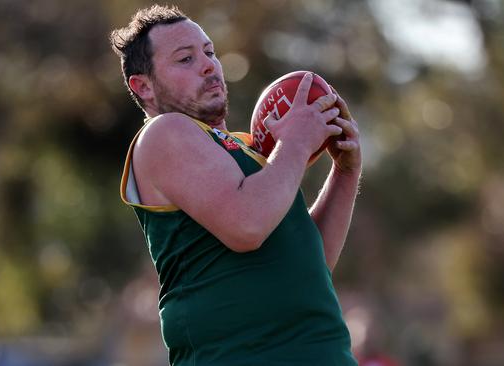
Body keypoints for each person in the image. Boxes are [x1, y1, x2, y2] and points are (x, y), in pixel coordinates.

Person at [112, 4, 361, 365]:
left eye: (210, 52)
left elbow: (310, 264)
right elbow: (247, 226)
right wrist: (295, 143)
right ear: (144, 87)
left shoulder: (250, 153)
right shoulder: (165, 132)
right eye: (185, 59)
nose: (209, 65)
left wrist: (345, 172)